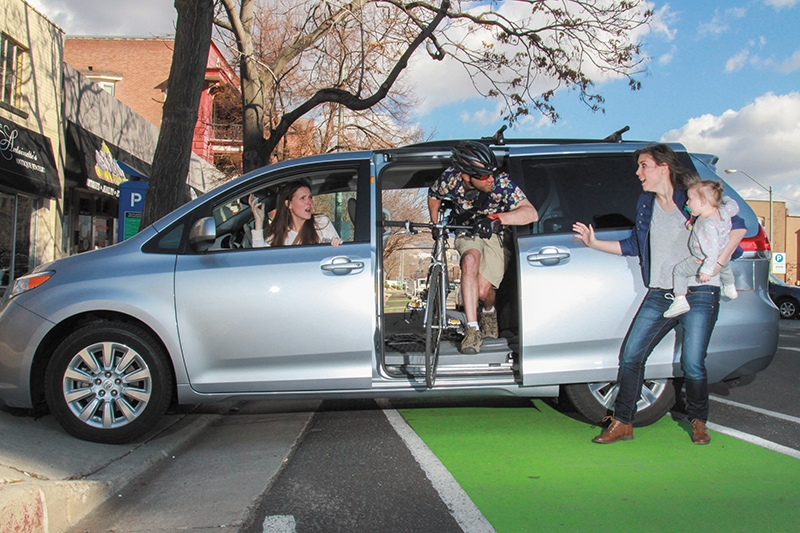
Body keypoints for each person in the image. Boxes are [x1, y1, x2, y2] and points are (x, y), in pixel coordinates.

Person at [572, 143, 746, 445]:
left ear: (663, 167)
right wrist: (593, 243)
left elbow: (738, 227)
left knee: (692, 362)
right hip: (661, 292)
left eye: (644, 166)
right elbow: (635, 245)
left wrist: (717, 263)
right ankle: (623, 422)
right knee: (631, 355)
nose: (638, 173)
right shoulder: (646, 203)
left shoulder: (690, 196)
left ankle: (698, 421)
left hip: (700, 291)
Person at [428, 141, 539, 354]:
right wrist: (435, 223)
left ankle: (488, 311)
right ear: (466, 176)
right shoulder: (450, 178)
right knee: (469, 260)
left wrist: (498, 218)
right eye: (483, 176)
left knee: (482, 291)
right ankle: (472, 330)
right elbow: (434, 195)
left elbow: (530, 213)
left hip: (494, 233)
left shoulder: (501, 183)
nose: (490, 179)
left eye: (491, 173)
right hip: (467, 230)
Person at [664, 180, 739, 318]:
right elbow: (734, 206)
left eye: (690, 199)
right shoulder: (722, 211)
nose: (687, 203)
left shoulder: (707, 225)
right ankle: (729, 286)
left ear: (703, 202)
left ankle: (680, 300)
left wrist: (707, 269)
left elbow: (711, 249)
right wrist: (724, 198)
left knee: (679, 271)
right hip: (724, 252)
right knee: (726, 266)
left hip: (703, 258)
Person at [248, 180, 343, 247]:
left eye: (310, 197)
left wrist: (337, 245)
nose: (310, 202)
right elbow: (261, 259)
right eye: (303, 198)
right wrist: (259, 222)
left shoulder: (321, 222)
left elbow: (337, 258)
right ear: (288, 204)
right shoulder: (277, 234)